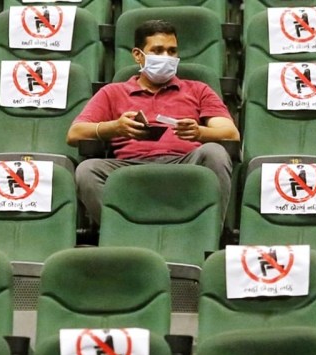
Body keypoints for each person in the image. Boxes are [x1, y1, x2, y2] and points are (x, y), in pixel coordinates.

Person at [67, 19, 239, 225]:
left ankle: (207, 234)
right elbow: (74, 134)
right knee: (87, 170)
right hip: (129, 166)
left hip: (183, 163)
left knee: (215, 153)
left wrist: (199, 132)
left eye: (172, 51)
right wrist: (115, 127)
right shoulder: (113, 92)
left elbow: (230, 133)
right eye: (157, 51)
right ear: (138, 55)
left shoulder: (198, 89)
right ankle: (123, 234)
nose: (166, 57)